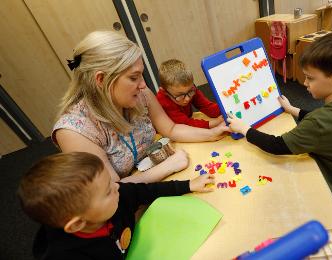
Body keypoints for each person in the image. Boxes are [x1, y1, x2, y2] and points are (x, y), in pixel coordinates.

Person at [53, 31, 229, 184]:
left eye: (141, 75)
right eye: (133, 77)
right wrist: (167, 168)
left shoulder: (140, 96)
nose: (144, 85)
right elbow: (113, 190)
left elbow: (171, 128)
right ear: (101, 80)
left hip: (156, 178)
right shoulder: (73, 131)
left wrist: (212, 134)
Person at [227, 31, 332, 197]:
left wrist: (245, 128)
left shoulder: (322, 121)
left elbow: (276, 145)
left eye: (310, 78)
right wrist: (292, 109)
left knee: (274, 172)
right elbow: (320, 119)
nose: (305, 83)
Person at [17, 152, 215, 260]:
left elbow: (146, 191)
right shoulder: (66, 255)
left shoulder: (117, 194)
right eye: (107, 191)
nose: (117, 187)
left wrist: (188, 185)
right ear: (77, 224)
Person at [156, 59, 224, 129]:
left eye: (190, 92)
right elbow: (184, 124)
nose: (187, 99)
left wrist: (225, 110)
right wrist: (214, 123)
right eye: (180, 95)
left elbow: (207, 107)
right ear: (165, 92)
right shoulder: (163, 100)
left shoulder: (191, 89)